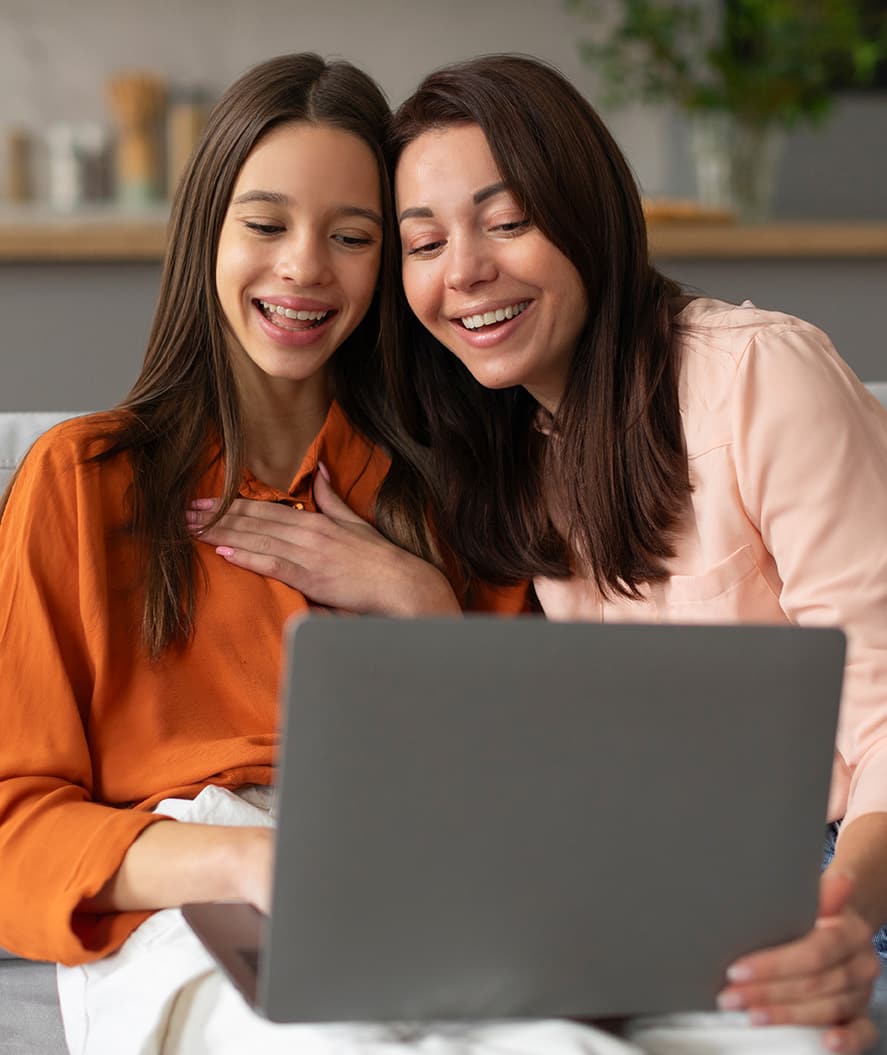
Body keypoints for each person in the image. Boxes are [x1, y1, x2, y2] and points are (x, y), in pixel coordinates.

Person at [190, 54, 887, 1055]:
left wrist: (838, 915)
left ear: (585, 212)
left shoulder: (755, 377)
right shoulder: (492, 445)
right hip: (644, 891)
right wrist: (418, 598)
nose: (463, 270)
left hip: (836, 875)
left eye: (506, 221)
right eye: (422, 242)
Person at [0, 51, 519, 1055]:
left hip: (421, 881)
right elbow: (13, 831)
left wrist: (421, 607)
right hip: (180, 905)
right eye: (267, 223)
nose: (304, 267)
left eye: (352, 235)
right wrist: (244, 860)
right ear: (208, 235)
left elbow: (520, 794)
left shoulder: (460, 487)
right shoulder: (83, 478)